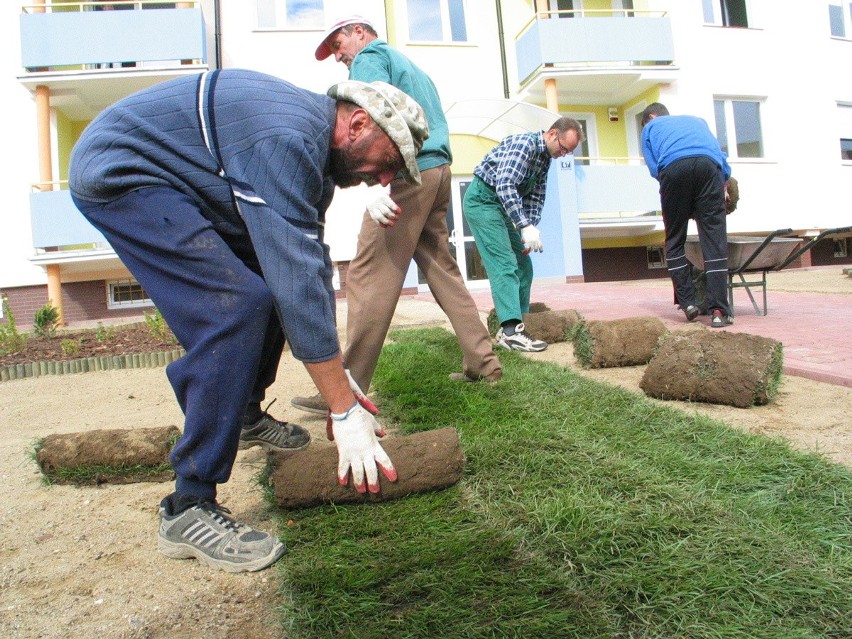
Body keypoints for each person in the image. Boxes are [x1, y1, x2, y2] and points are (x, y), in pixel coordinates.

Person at [68, 69, 429, 572]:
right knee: (234, 308)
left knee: (275, 285)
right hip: (123, 174)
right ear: (358, 123)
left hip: (183, 181)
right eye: (388, 162)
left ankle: (241, 415)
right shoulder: (286, 138)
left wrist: (337, 381)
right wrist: (344, 413)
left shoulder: (313, 159)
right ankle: (188, 506)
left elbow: (306, 267)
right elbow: (295, 276)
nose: (385, 178)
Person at [291, 15, 502, 416]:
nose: (339, 56)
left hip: (406, 172)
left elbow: (367, 119)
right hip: (438, 171)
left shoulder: (369, 57)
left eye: (338, 45)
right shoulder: (413, 68)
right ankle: (485, 365)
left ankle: (346, 386)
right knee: (442, 269)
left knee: (370, 273)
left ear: (360, 32)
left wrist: (379, 187)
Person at [462, 118, 584, 352]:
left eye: (568, 152)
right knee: (505, 264)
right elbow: (505, 185)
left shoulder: (544, 159)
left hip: (502, 208)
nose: (563, 154)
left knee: (523, 265)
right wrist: (524, 225)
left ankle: (520, 325)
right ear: (551, 134)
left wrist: (527, 229)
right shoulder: (524, 145)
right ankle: (510, 332)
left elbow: (536, 198)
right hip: (483, 201)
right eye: (563, 148)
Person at [640, 102, 734, 328]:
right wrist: (722, 184)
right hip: (709, 168)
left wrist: (678, 197)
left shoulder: (649, 128)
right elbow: (722, 162)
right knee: (714, 241)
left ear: (651, 116)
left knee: (674, 239)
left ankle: (688, 303)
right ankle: (719, 310)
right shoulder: (698, 122)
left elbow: (655, 169)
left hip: (673, 170)